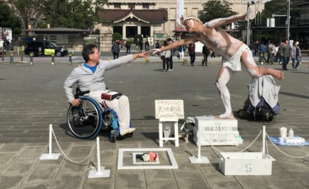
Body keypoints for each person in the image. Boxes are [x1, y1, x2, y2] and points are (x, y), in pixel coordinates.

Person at [152, 11, 284, 119]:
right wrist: (161, 50)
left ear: (195, 21)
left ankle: (270, 70)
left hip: (240, 50)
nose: (187, 27)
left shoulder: (209, 26)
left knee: (255, 73)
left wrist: (242, 17)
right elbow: (179, 43)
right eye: (186, 26)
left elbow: (226, 20)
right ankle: (229, 113)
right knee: (219, 83)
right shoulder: (199, 37)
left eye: (188, 24)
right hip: (228, 58)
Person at [64, 44, 149, 137]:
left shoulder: (101, 64)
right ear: (90, 56)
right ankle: (122, 128)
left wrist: (136, 55)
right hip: (90, 94)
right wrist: (71, 100)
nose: (99, 54)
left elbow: (118, 62)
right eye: (97, 53)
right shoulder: (78, 71)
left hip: (103, 92)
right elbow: (67, 85)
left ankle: (124, 127)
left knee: (124, 98)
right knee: (115, 104)